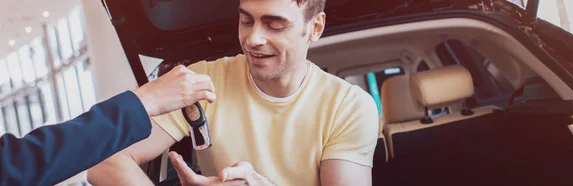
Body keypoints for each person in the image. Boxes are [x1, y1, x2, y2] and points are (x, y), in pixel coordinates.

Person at [87, 0, 379, 185]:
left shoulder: (349, 107)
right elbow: (102, 160)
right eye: (246, 20)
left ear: (315, 27)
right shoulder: (201, 81)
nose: (253, 39)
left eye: (275, 25)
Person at [0, 65, 216, 186]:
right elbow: (14, 166)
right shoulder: (209, 74)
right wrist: (143, 102)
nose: (251, 40)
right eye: (244, 20)